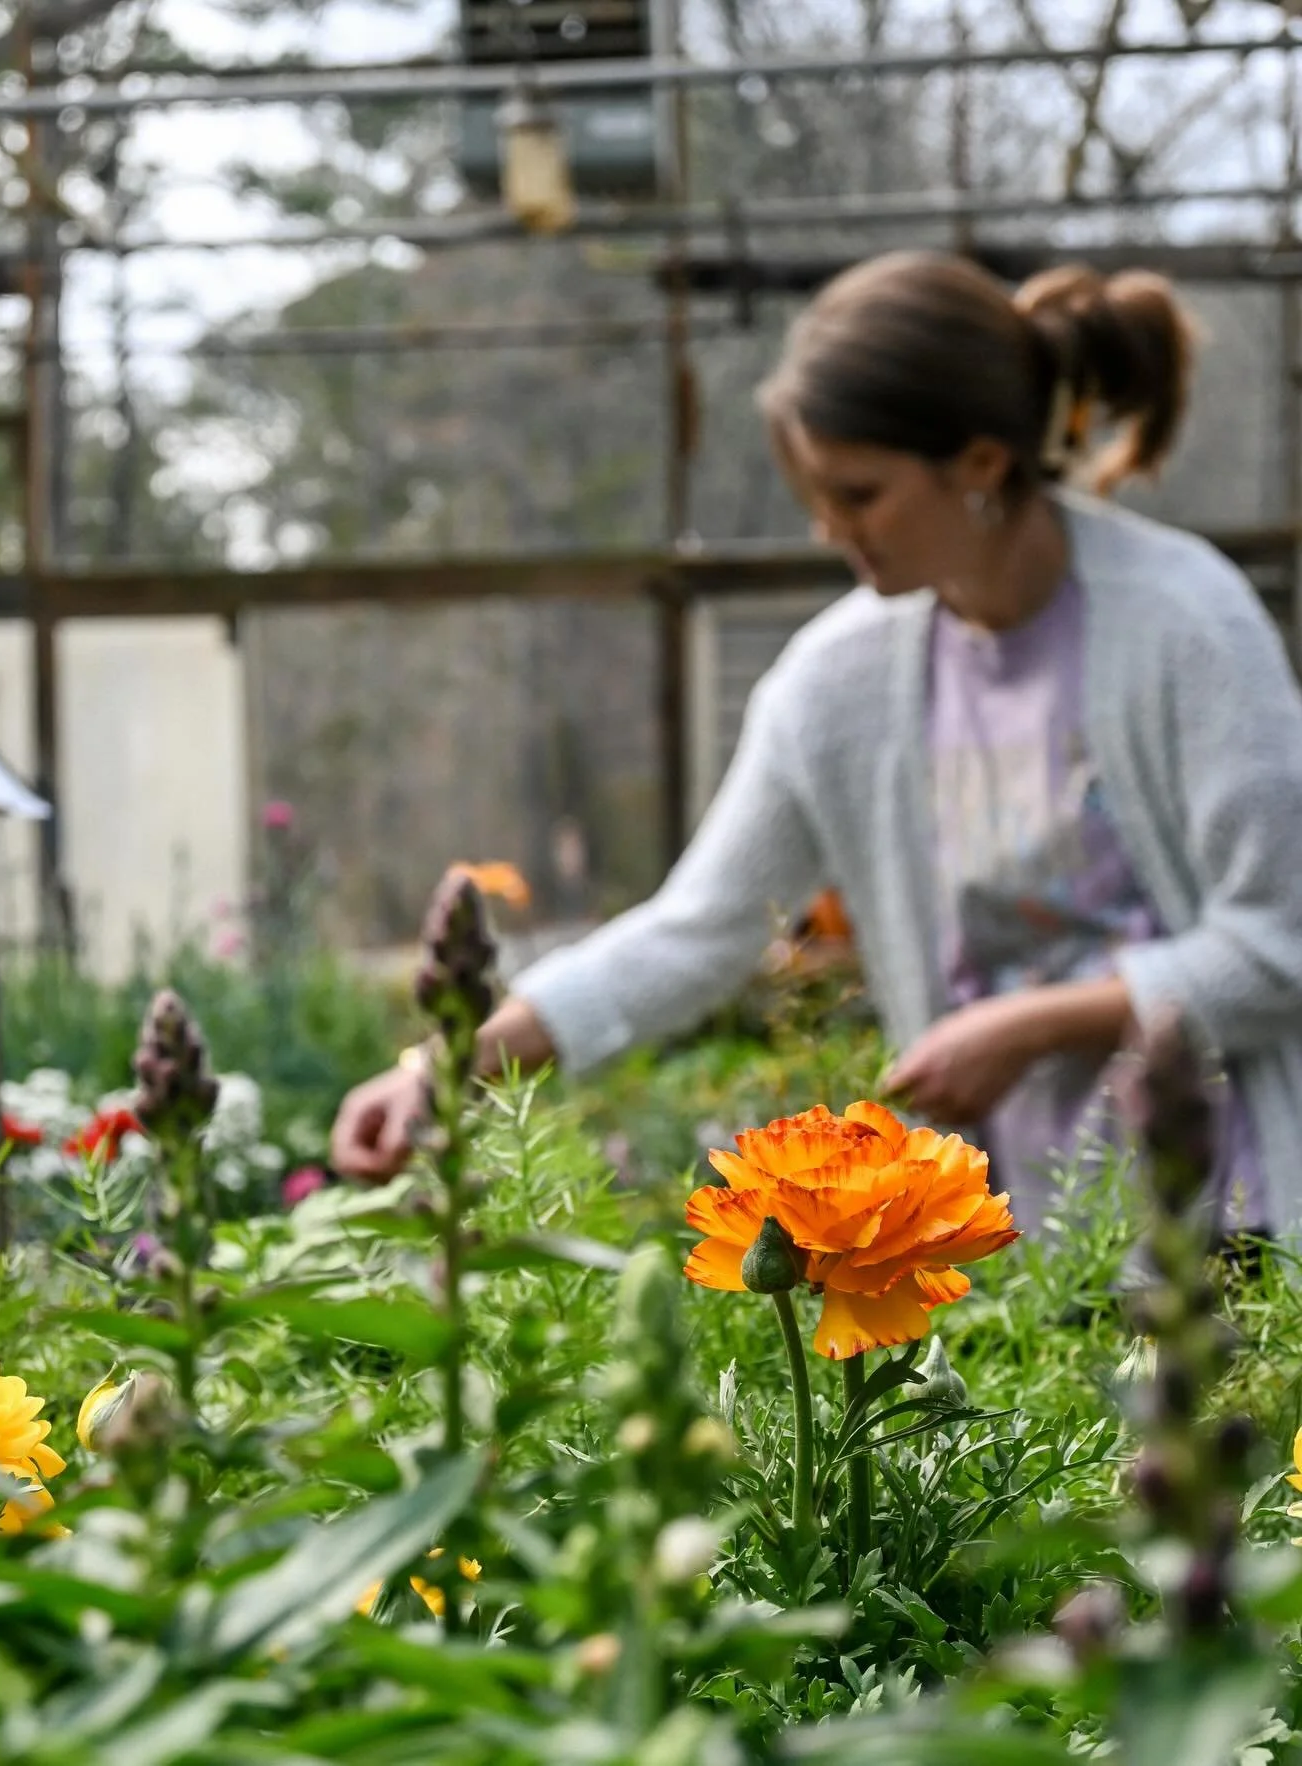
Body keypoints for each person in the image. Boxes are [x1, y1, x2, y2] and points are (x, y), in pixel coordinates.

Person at [332, 250, 1302, 1237]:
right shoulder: (839, 678)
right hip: (1012, 1256)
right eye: (814, 492)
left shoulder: (1186, 625)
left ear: (980, 461)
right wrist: (443, 1067)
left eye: (861, 492)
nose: (831, 527)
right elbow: (696, 931)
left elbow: (1280, 944)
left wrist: (1032, 1024)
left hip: (1227, 1235)